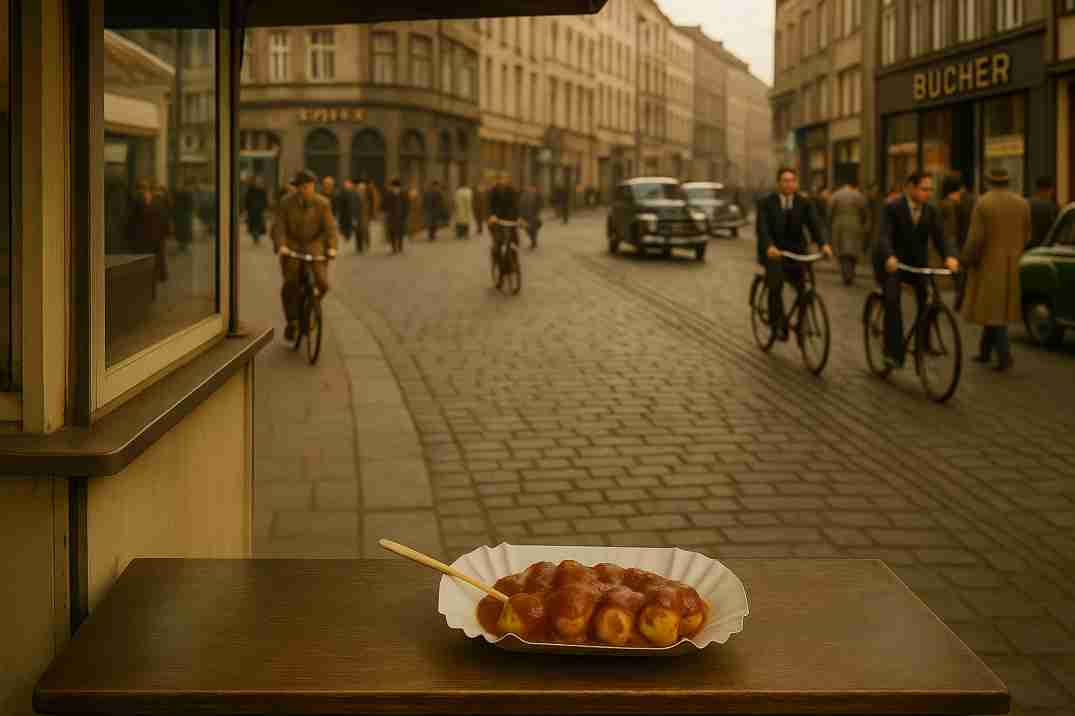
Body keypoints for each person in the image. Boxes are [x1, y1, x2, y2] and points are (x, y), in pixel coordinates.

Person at [873, 171, 960, 370]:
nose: (928, 193)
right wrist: (889, 256)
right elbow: (884, 236)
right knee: (892, 301)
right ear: (910, 187)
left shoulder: (931, 211)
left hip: (917, 265)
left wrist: (950, 256)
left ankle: (923, 343)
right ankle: (892, 352)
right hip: (893, 265)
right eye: (924, 189)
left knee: (928, 300)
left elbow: (942, 238)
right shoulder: (892, 208)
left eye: (930, 189)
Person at [961, 168, 1029, 372]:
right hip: (1013, 261)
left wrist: (966, 259)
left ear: (989, 182)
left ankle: (1004, 355)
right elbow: (1027, 234)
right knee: (996, 307)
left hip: (988, 263)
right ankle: (984, 351)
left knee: (993, 311)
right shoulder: (1022, 203)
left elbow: (976, 238)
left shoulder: (983, 202)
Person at [755, 167, 833, 341]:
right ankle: (777, 324)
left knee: (804, 288)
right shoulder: (766, 203)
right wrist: (768, 246)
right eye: (785, 180)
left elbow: (814, 225)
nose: (789, 184)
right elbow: (762, 229)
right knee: (776, 285)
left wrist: (824, 244)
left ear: (796, 183)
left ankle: (801, 325)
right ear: (778, 183)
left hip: (797, 253)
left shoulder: (804, 203)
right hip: (774, 252)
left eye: (792, 181)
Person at [271, 170, 338, 342]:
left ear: (313, 187)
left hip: (314, 246)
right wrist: (281, 245)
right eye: (302, 187)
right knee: (291, 283)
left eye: (309, 187)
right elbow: (279, 227)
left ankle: (311, 309)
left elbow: (330, 228)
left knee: (323, 283)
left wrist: (331, 248)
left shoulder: (322, 204)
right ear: (297, 188)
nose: (305, 190)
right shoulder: (286, 203)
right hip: (292, 247)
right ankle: (292, 320)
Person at [127, 178, 173, 283]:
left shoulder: (156, 199)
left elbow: (163, 216)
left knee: (157, 255)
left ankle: (159, 275)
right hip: (148, 233)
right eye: (142, 188)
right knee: (154, 255)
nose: (144, 191)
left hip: (153, 233)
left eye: (145, 188)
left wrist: (165, 230)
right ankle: (155, 275)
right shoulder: (139, 200)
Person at [830, 179, 870, 283]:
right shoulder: (859, 196)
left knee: (843, 253)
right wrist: (863, 223)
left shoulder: (836, 195)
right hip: (855, 225)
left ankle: (846, 274)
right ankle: (850, 272)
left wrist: (831, 223)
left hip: (839, 226)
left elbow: (829, 211)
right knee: (853, 252)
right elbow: (865, 211)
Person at [938, 174, 968, 310]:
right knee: (958, 272)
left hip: (948, 240)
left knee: (955, 273)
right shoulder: (950, 204)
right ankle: (959, 298)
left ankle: (958, 298)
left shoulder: (944, 203)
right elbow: (951, 227)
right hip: (951, 241)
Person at [487, 172, 521, 274]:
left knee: (515, 242)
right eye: (502, 179)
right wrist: (492, 216)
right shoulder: (493, 191)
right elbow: (489, 205)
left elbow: (516, 205)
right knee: (497, 244)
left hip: (510, 221)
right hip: (497, 221)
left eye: (506, 178)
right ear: (499, 180)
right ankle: (497, 263)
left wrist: (518, 218)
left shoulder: (512, 190)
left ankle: (513, 264)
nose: (504, 181)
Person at [1028, 176, 1060, 251]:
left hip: (1028, 247)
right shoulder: (1053, 207)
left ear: (1036, 188)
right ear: (1050, 189)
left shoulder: (1026, 204)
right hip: (1046, 248)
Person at [383, 178, 409, 254]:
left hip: (398, 216)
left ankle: (398, 247)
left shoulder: (402, 194)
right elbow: (384, 204)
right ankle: (395, 247)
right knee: (393, 232)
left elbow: (406, 204)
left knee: (399, 232)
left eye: (396, 186)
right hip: (393, 216)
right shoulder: (389, 194)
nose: (395, 188)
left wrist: (405, 213)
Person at [244, 176, 269, 245]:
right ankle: (255, 236)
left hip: (259, 210)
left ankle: (257, 236)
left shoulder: (262, 190)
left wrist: (265, 209)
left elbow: (265, 200)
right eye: (257, 181)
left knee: (259, 224)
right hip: (252, 210)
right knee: (253, 224)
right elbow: (247, 200)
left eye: (259, 181)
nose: (258, 183)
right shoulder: (250, 190)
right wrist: (246, 209)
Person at [520, 183, 544, 249]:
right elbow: (521, 204)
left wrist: (537, 212)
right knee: (527, 229)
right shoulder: (524, 194)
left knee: (533, 229)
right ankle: (533, 240)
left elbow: (540, 204)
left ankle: (533, 242)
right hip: (525, 215)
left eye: (532, 188)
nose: (530, 189)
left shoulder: (537, 195)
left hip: (533, 215)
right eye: (528, 187)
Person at [337, 179, 356, 244]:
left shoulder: (352, 193)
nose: (347, 186)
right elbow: (340, 203)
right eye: (346, 184)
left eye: (348, 184)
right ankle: (346, 236)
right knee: (344, 225)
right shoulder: (342, 193)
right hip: (344, 213)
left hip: (349, 213)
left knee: (348, 225)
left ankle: (348, 236)